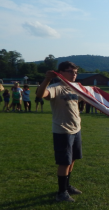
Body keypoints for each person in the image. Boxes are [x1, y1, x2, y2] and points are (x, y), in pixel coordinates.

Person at [36, 61, 83, 202]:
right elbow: (40, 94)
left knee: (72, 159)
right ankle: (61, 193)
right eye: (70, 71)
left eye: (75, 72)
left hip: (76, 129)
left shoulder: (76, 88)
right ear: (61, 73)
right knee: (64, 162)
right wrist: (47, 79)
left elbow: (82, 100)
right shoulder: (56, 87)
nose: (74, 74)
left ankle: (67, 186)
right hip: (63, 131)